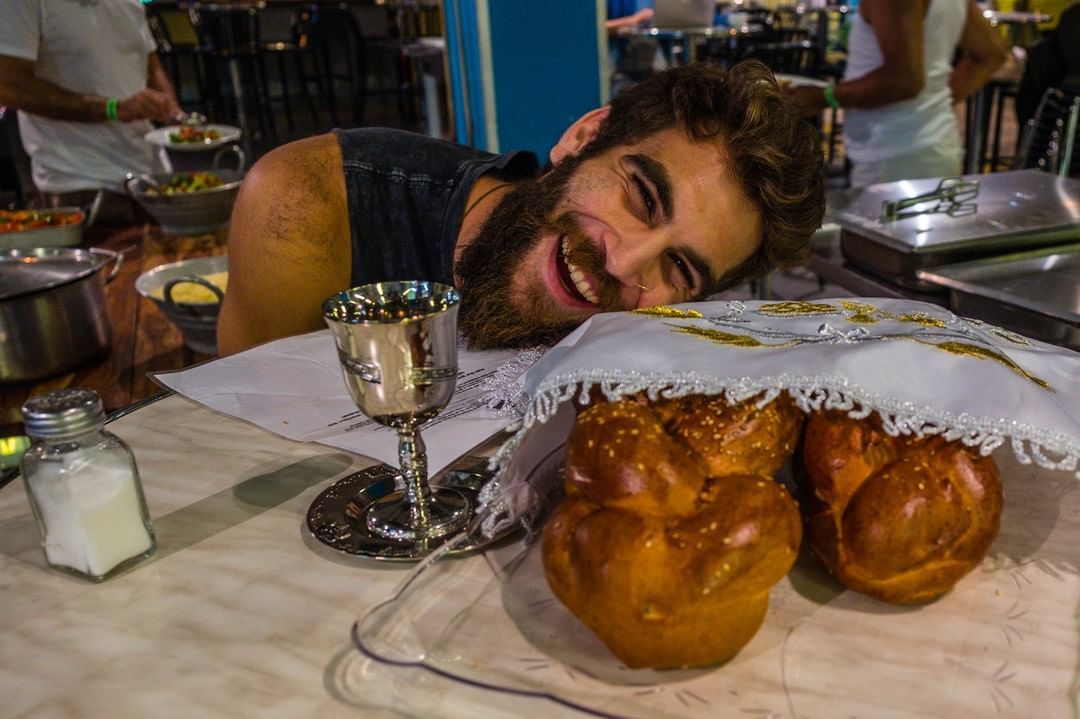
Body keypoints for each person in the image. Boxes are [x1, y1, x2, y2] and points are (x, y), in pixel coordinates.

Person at [217, 61, 826, 355]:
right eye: (641, 196)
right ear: (586, 139)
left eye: (681, 270)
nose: (626, 261)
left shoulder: (651, 343)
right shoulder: (311, 202)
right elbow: (252, 451)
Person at [785, 0, 1007, 187]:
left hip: (894, 156)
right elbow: (991, 53)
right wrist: (935, 102)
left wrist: (823, 97)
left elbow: (904, 79)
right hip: (927, 146)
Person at [0, 0, 181, 220]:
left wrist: (174, 114)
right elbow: (9, 86)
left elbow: (150, 65)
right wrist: (113, 109)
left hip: (152, 176)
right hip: (79, 186)